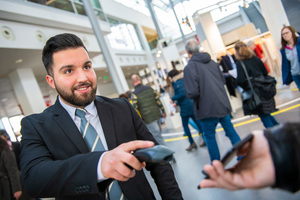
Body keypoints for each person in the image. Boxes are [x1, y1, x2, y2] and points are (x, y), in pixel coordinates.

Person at [19, 33, 183, 200]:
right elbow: (33, 179)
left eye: (87, 67)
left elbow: (158, 163)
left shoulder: (122, 108)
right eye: (68, 71)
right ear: (51, 81)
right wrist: (100, 164)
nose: (83, 78)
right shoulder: (36, 126)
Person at [198, 122, 300, 193]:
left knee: (209, 136)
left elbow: (192, 93)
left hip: (207, 112)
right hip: (222, 108)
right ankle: (241, 157)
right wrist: (280, 150)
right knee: (231, 132)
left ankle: (214, 166)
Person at [183, 40, 242, 162]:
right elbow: (222, 81)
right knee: (231, 132)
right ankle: (243, 155)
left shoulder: (190, 67)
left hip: (206, 109)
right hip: (222, 104)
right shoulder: (212, 62)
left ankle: (216, 165)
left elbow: (192, 92)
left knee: (210, 138)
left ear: (188, 53)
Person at [234, 41, 279, 128]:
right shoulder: (256, 58)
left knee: (263, 115)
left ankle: (275, 136)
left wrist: (236, 84)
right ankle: (279, 129)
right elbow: (265, 72)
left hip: (254, 91)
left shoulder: (240, 63)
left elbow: (241, 80)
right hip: (264, 88)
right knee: (266, 113)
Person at [167, 69, 205, 151]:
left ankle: (192, 143)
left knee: (185, 126)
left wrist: (172, 98)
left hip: (185, 107)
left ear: (171, 77)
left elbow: (182, 94)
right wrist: (176, 103)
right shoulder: (182, 80)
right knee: (197, 122)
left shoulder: (177, 83)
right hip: (190, 104)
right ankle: (205, 139)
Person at [131, 74, 167, 146]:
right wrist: (163, 111)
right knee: (159, 135)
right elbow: (158, 101)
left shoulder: (134, 94)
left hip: (148, 119)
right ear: (140, 79)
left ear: (132, 82)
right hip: (157, 115)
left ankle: (169, 155)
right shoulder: (150, 88)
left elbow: (135, 110)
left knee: (157, 138)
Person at [280, 25, 300, 91]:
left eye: (287, 33)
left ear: (292, 32)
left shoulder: (299, 42)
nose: (285, 35)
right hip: (296, 75)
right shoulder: (284, 49)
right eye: (283, 34)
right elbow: (285, 65)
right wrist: (287, 79)